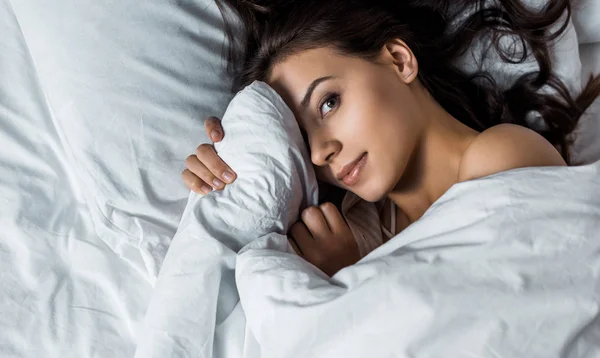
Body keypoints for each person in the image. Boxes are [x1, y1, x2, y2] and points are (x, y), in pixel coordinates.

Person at [181, 0, 600, 276]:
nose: (321, 151)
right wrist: (226, 173)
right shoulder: (354, 229)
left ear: (399, 61)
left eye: (329, 103)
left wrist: (355, 275)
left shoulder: (503, 154)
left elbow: (502, 311)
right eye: (302, 138)